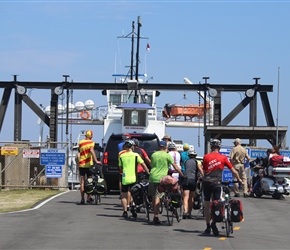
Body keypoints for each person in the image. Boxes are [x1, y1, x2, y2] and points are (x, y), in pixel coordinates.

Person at [202, 139, 242, 236]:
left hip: (207, 182)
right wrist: (239, 180)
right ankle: (214, 223)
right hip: (217, 183)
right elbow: (233, 170)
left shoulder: (206, 157)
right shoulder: (223, 158)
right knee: (217, 204)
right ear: (219, 147)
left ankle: (207, 227)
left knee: (207, 205)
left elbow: (204, 170)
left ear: (211, 147)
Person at [148, 140, 185, 225]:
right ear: (165, 147)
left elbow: (152, 165)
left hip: (153, 177)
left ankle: (155, 213)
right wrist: (181, 174)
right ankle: (156, 216)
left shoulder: (154, 155)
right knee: (159, 196)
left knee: (154, 196)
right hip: (162, 179)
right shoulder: (167, 155)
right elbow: (175, 166)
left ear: (158, 147)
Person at [118, 139, 150, 218]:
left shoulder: (121, 156)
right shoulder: (136, 155)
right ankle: (133, 207)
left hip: (125, 177)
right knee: (134, 194)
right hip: (134, 177)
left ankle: (125, 211)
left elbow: (120, 167)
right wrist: (148, 172)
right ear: (132, 147)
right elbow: (143, 164)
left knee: (124, 195)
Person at [78, 130, 102, 205]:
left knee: (82, 182)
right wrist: (96, 160)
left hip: (81, 164)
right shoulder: (91, 143)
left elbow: (80, 151)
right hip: (88, 164)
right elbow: (91, 150)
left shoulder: (80, 142)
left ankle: (82, 199)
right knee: (89, 181)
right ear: (91, 136)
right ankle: (88, 197)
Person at [181, 149, 204, 219]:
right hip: (193, 180)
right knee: (191, 197)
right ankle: (189, 213)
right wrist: (203, 175)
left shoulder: (185, 161)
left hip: (186, 179)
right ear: (195, 156)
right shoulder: (197, 162)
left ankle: (185, 211)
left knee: (185, 197)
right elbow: (200, 168)